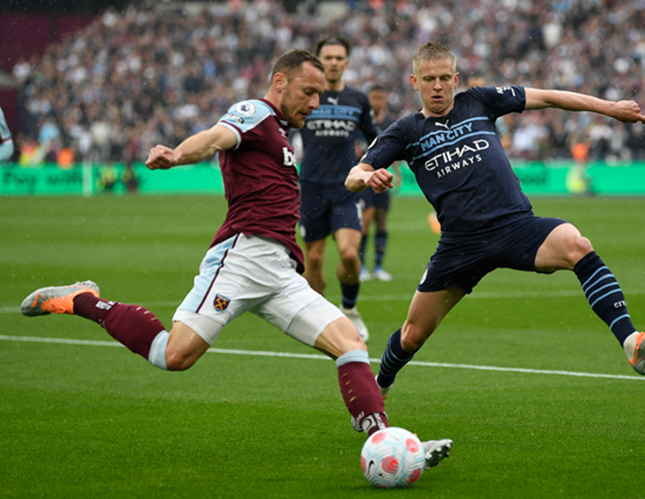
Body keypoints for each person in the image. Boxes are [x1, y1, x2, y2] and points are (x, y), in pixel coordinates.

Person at [19, 48, 452, 467]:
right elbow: (214, 138)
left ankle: (386, 440)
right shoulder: (256, 113)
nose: (316, 103)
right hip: (242, 259)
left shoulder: (279, 131)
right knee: (173, 355)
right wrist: (176, 155)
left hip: (281, 272)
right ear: (279, 82)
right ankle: (82, 299)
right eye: (308, 92)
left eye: (321, 94)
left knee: (351, 344)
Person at [344, 42, 645, 399]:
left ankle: (632, 341)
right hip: (460, 246)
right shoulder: (405, 131)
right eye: (429, 79)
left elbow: (549, 97)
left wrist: (610, 109)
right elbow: (354, 174)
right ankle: (379, 386)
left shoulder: (479, 101)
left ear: (456, 78)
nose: (438, 86)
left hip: (516, 226)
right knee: (412, 335)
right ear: (414, 81)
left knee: (577, 245)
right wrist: (368, 178)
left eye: (445, 78)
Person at [298, 37, 378, 340]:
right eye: (327, 57)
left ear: (346, 62)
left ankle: (350, 308)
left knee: (347, 252)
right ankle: (319, 315)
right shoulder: (305, 97)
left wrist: (372, 167)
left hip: (348, 186)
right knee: (314, 259)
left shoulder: (358, 99)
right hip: (312, 186)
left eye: (339, 57)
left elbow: (374, 138)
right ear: (318, 62)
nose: (333, 62)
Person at [358, 85, 401, 282]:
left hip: (383, 177)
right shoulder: (361, 122)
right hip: (365, 179)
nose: (377, 102)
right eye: (374, 97)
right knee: (366, 220)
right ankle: (361, 267)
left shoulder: (390, 123)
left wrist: (398, 173)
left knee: (381, 220)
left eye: (380, 98)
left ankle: (378, 266)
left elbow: (393, 150)